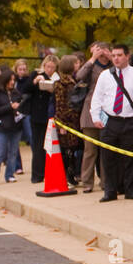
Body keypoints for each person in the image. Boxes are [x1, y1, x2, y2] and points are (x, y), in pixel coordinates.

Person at [89, 44, 133, 201]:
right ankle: (110, 191)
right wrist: (95, 117)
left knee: (130, 158)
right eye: (114, 55)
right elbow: (98, 97)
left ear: (127, 56)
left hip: (130, 121)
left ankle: (130, 190)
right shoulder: (105, 75)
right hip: (110, 121)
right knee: (108, 158)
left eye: (119, 55)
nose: (116, 58)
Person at [75, 42, 112, 191]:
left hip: (109, 112)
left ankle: (105, 181)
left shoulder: (112, 66)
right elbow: (79, 76)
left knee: (106, 151)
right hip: (90, 112)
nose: (102, 54)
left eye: (104, 51)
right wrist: (92, 59)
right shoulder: (91, 66)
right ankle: (87, 182)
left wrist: (111, 58)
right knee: (90, 151)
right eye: (99, 51)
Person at [21, 54, 59, 183]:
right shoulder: (36, 74)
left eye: (52, 67)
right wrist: (35, 81)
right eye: (48, 67)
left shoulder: (57, 78)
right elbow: (25, 89)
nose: (50, 69)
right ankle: (37, 175)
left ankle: (49, 172)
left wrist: (52, 90)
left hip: (50, 115)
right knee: (37, 146)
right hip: (37, 115)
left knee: (49, 146)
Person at [0, 70, 24, 186]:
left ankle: (9, 175)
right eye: (10, 80)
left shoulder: (16, 93)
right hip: (2, 126)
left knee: (13, 152)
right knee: (0, 153)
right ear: (4, 80)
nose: (12, 82)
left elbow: (22, 104)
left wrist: (20, 108)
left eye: (14, 80)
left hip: (16, 126)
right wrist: (10, 106)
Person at [52, 55, 84, 184]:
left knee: (74, 150)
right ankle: (67, 177)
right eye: (75, 63)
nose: (78, 65)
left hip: (74, 121)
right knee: (67, 152)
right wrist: (61, 125)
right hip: (66, 122)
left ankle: (72, 175)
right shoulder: (61, 84)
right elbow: (60, 105)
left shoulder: (74, 81)